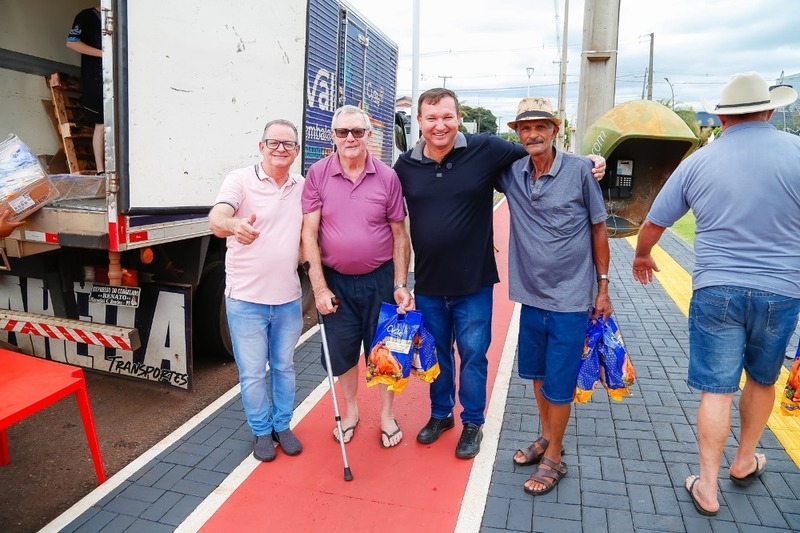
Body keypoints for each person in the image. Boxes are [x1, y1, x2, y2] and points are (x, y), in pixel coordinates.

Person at [393, 88, 606, 459]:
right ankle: (441, 414)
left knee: (474, 356)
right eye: (431, 118)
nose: (440, 125)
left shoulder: (486, 149)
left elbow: (540, 151)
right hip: (428, 282)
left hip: (475, 282)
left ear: (459, 118)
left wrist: (590, 161)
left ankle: (472, 422)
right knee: (436, 355)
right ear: (420, 122)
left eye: (447, 117)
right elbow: (391, 219)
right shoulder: (404, 166)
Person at [632, 72, 800, 516]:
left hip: (716, 288)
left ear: (722, 117)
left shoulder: (699, 162)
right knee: (762, 379)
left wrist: (642, 255)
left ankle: (706, 487)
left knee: (717, 390)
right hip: (782, 290)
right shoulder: (797, 152)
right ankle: (744, 462)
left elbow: (654, 222)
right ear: (769, 111)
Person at [498, 97, 611, 494]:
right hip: (531, 296)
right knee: (538, 375)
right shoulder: (512, 173)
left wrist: (603, 286)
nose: (533, 134)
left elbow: (599, 227)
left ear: (554, 130)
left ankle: (555, 456)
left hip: (571, 300)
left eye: (540, 126)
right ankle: (546, 437)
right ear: (517, 133)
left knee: (560, 384)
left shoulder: (580, 170)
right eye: (525, 128)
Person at [301, 105, 413, 449]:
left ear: (369, 135)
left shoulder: (387, 177)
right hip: (336, 282)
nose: (350, 138)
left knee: (385, 351)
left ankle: (387, 415)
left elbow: (399, 235)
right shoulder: (318, 174)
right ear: (332, 136)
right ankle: (351, 411)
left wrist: (400, 284)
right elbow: (309, 234)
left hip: (380, 279)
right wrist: (319, 288)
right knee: (342, 353)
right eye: (342, 132)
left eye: (357, 131)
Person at [209, 119, 305, 462]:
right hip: (245, 301)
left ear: (297, 151)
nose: (281, 149)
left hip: (288, 299)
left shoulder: (302, 186)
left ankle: (282, 425)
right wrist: (234, 224)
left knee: (284, 367)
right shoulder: (239, 180)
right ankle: (261, 431)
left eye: (288, 144)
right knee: (252, 373)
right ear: (261, 146)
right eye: (273, 142)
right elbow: (217, 218)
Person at [66, 5, 104, 174]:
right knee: (102, 125)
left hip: (121, 79)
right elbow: (71, 42)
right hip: (95, 80)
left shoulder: (124, 19)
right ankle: (101, 171)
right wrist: (104, 54)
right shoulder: (86, 16)